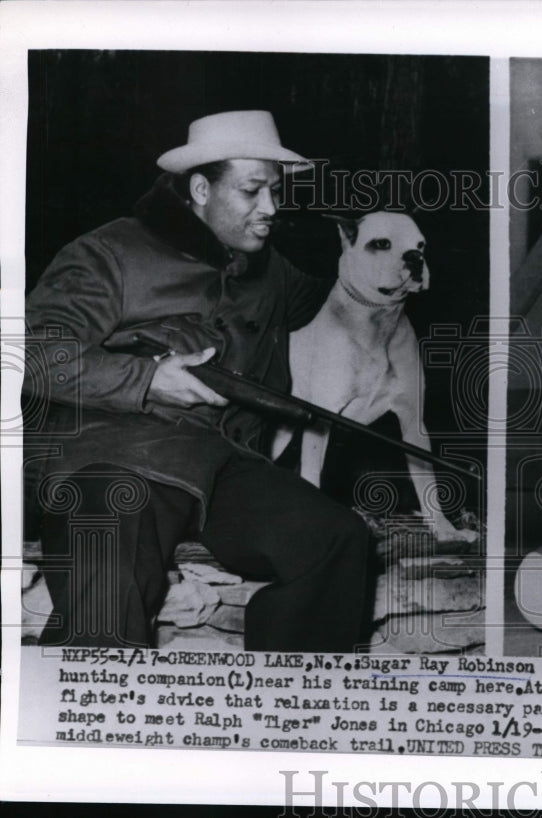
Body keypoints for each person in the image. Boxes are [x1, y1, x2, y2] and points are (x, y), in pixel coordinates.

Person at [25, 110, 371, 651]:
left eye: (276, 192)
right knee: (107, 594)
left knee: (337, 542)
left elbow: (344, 295)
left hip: (224, 465)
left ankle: (288, 710)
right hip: (113, 456)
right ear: (202, 189)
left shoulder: (271, 269)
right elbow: (33, 353)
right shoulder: (107, 253)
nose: (272, 209)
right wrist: (148, 378)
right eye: (253, 191)